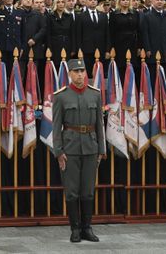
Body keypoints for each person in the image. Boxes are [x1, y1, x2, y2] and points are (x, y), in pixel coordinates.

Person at [52, 58, 105, 243]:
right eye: (76, 71)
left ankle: (87, 228)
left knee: (88, 191)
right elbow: (56, 126)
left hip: (91, 147)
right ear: (70, 74)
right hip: (70, 148)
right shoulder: (61, 96)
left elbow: (100, 123)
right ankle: (75, 229)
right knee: (72, 191)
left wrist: (102, 149)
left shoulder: (95, 95)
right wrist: (58, 151)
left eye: (83, 71)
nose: (81, 74)